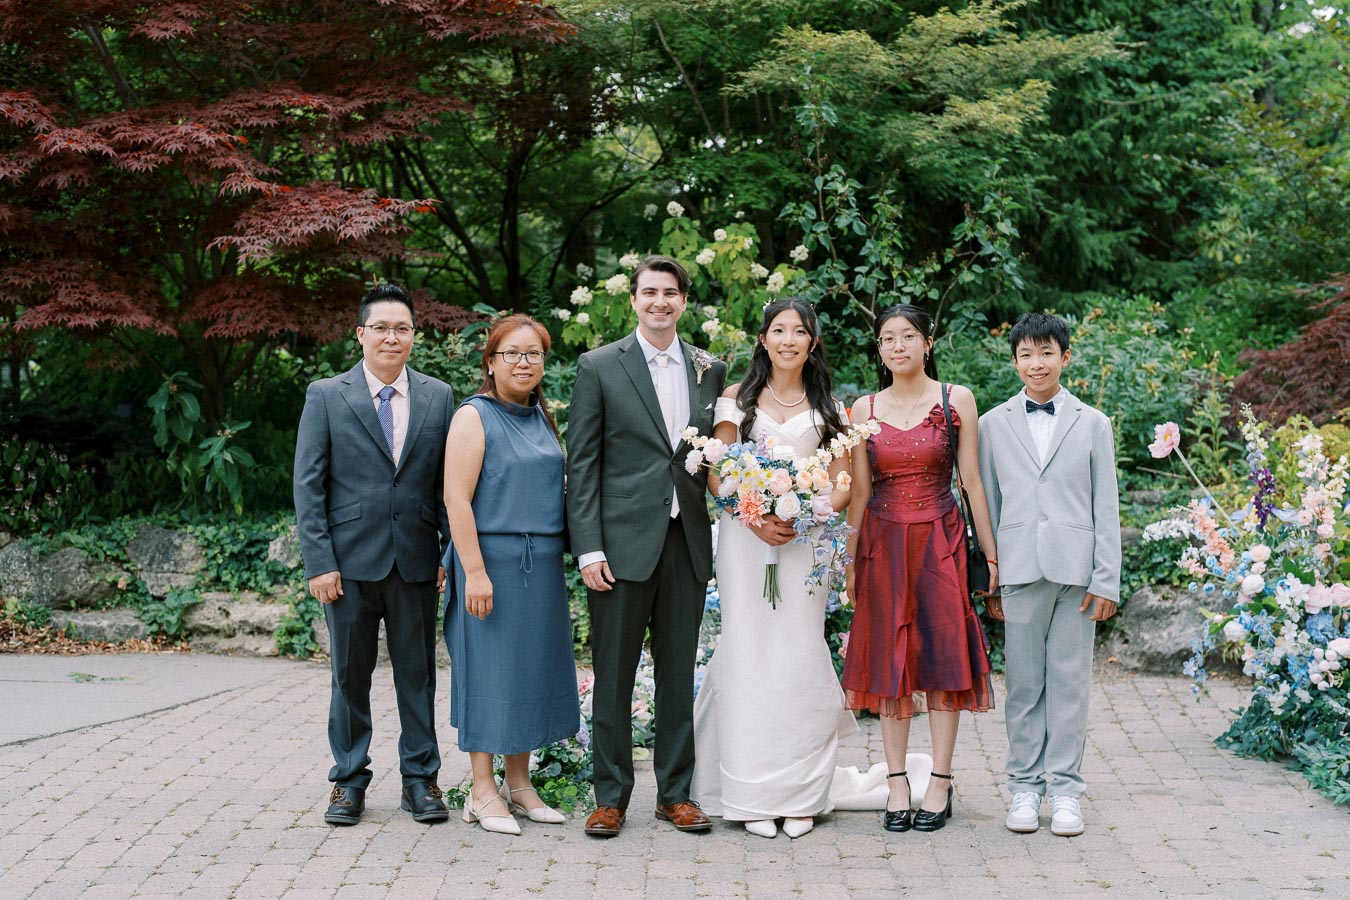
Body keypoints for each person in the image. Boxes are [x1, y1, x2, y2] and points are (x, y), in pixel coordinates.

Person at [566, 254, 727, 837]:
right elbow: (581, 464)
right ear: (632, 299)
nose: (660, 302)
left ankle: (676, 794)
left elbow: (716, 457)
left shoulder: (710, 368)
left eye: (671, 293)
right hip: (619, 545)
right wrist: (588, 548)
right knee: (612, 675)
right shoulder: (600, 366)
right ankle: (609, 796)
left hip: (684, 542)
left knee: (680, 673)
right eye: (649, 292)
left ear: (685, 302)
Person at [690, 298, 857, 840]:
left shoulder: (830, 406)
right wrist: (757, 512)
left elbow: (841, 482)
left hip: (805, 547)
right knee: (749, 651)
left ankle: (801, 791)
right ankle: (750, 792)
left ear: (812, 342)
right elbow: (718, 476)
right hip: (745, 542)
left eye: (800, 331)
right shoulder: (735, 400)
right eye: (779, 330)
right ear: (763, 339)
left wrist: (810, 508)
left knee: (799, 652)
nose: (789, 339)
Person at [294, 282, 456, 826]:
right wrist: (319, 562)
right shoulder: (326, 394)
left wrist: (447, 552)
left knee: (419, 676)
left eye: (402, 328)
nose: (393, 336)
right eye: (381, 327)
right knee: (348, 677)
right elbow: (308, 486)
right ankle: (348, 783)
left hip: (414, 560)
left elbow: (447, 485)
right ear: (360, 334)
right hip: (346, 565)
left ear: (415, 336)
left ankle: (420, 781)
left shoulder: (438, 396)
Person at [842, 303, 998, 833]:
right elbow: (860, 490)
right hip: (883, 543)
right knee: (890, 662)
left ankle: (940, 780)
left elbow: (972, 481)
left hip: (941, 542)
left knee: (942, 658)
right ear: (879, 350)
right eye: (888, 339)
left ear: (928, 343)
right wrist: (849, 559)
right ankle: (895, 784)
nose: (899, 346)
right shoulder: (861, 408)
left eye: (909, 336)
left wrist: (991, 556)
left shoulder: (958, 399)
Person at [976, 312, 1120, 838]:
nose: (1036, 364)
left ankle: (1065, 791)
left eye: (1046, 353)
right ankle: (1023, 788)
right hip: (1017, 568)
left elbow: (1107, 504)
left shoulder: (1093, 423)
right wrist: (990, 574)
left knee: (1069, 682)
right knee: (1023, 685)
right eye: (1026, 354)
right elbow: (986, 504)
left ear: (1065, 356)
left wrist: (1107, 578)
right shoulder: (992, 424)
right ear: (1014, 361)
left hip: (1077, 573)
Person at [442, 314, 580, 836]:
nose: (524, 363)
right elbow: (456, 497)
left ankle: (519, 785)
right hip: (490, 562)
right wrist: (474, 572)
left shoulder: (541, 417)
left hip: (538, 567)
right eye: (513, 354)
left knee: (527, 672)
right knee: (488, 673)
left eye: (534, 354)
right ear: (491, 362)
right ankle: (482, 791)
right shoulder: (473, 417)